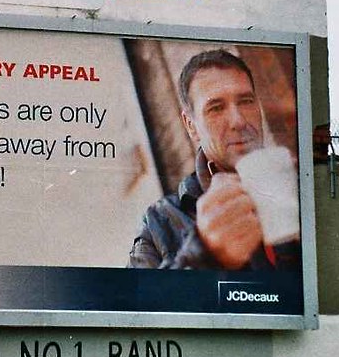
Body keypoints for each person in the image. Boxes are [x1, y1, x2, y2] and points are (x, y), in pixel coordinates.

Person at [128, 49, 300, 270]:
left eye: (246, 101)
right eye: (216, 108)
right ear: (191, 125)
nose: (238, 121)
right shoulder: (158, 223)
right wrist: (204, 255)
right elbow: (135, 301)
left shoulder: (306, 186)